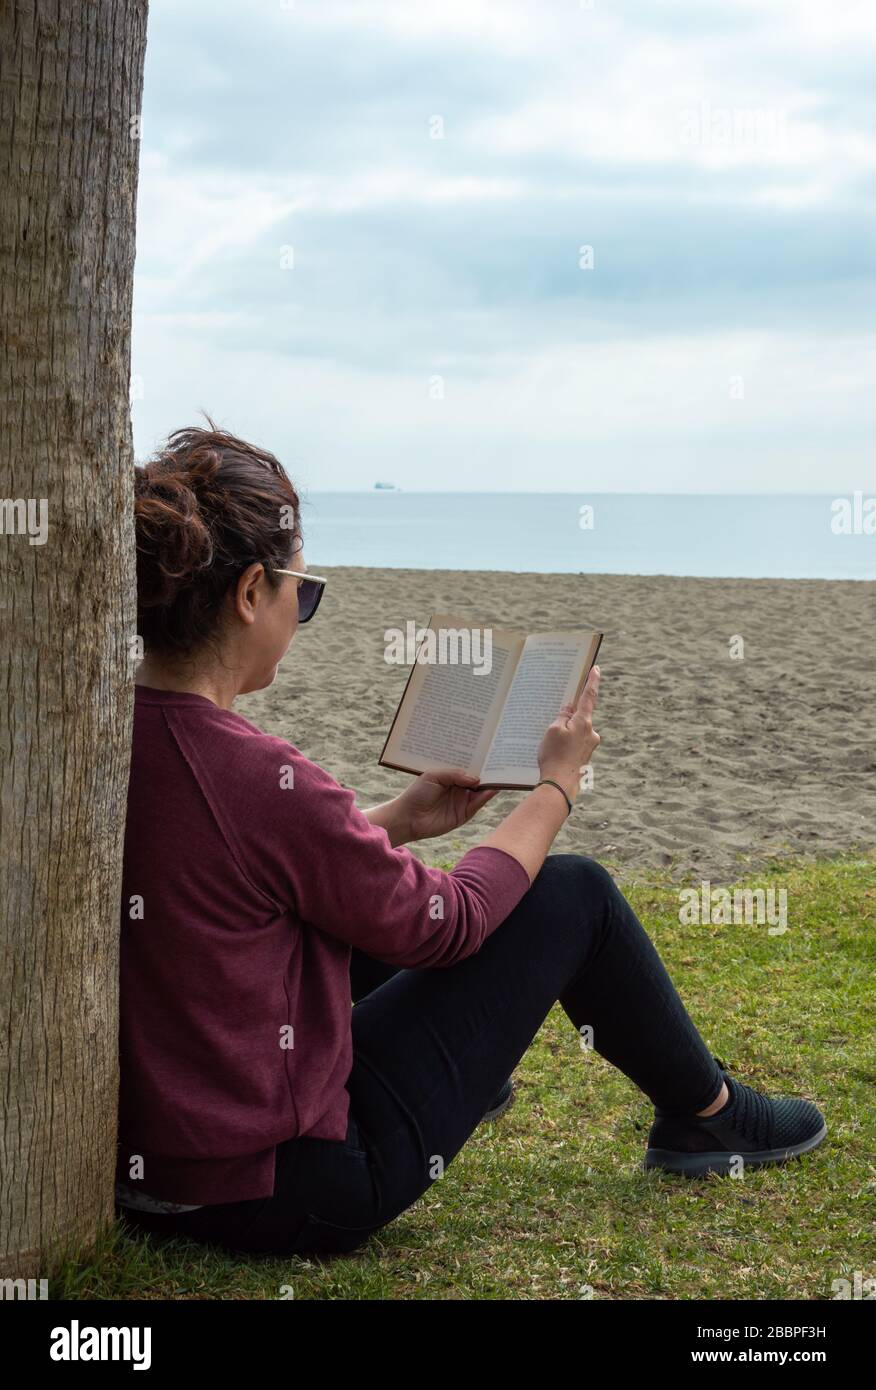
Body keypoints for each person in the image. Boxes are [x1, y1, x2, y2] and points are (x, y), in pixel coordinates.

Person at [116, 424, 827, 1257]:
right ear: (248, 595)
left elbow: (232, 872)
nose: (300, 613)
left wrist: (404, 821)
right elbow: (446, 923)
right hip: (293, 1188)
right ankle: (711, 1118)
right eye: (301, 593)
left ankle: (639, 1104)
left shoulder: (111, 741)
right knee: (575, 894)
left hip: (151, 1174)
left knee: (364, 905)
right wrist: (559, 785)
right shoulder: (253, 773)